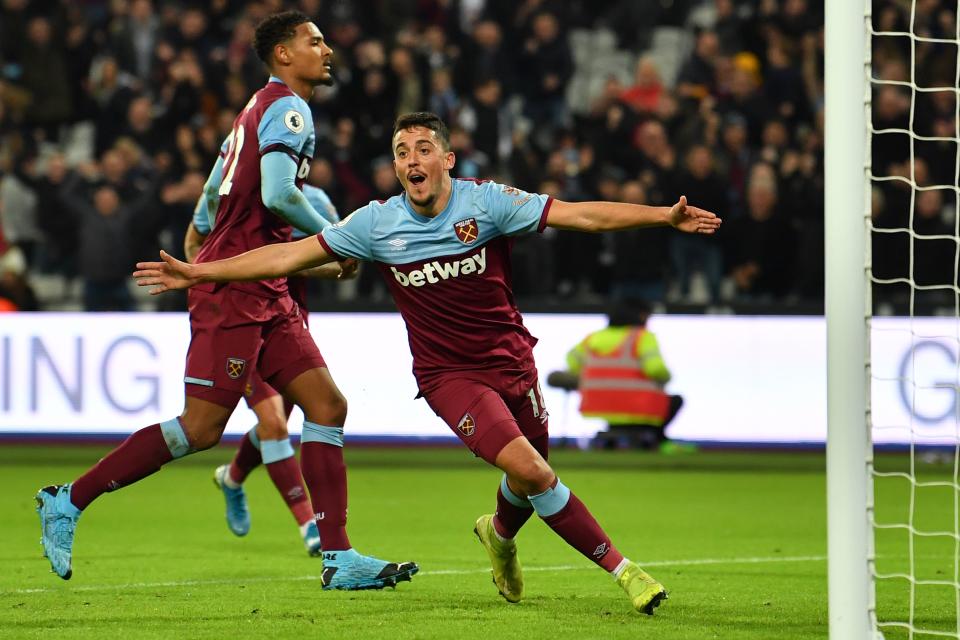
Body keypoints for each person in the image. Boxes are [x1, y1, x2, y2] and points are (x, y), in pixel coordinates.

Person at [134, 111, 722, 614]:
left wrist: (660, 216)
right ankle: (627, 574)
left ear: (446, 158)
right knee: (538, 474)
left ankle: (497, 534)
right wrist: (201, 269)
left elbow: (581, 216)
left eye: (421, 149)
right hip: (451, 379)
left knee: (527, 474)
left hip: (514, 363)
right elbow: (289, 254)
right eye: (400, 152)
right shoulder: (376, 223)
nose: (410, 160)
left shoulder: (487, 203)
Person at [35, 11, 418, 591]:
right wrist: (332, 244)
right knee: (200, 429)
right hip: (238, 288)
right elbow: (277, 192)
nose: (328, 49)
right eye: (314, 41)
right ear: (283, 54)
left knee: (327, 406)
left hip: (264, 286)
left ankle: (337, 557)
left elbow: (217, 188)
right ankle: (69, 499)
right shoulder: (289, 107)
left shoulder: (255, 109)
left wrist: (198, 235)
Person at [185, 182, 348, 556]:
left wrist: (294, 263)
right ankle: (309, 524)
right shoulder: (222, 193)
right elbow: (193, 246)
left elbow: (348, 266)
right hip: (241, 323)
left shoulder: (316, 201)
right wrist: (216, 284)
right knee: (274, 423)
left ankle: (232, 477)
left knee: (271, 428)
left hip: (288, 325)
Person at [558, 301, 687, 453]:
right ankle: (660, 440)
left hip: (598, 405)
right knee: (676, 400)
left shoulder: (592, 338)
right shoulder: (642, 337)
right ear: (641, 316)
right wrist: (664, 380)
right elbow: (656, 369)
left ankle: (648, 438)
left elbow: (571, 362)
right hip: (638, 406)